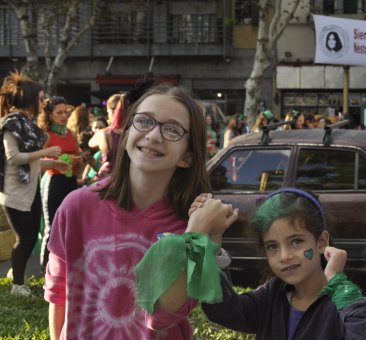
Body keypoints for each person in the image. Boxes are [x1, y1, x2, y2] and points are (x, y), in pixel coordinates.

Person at [43, 84, 211, 339]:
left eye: (172, 129)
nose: (154, 135)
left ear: (187, 156)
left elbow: (164, 316)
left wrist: (201, 236)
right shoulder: (76, 207)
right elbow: (58, 293)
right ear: (127, 130)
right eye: (144, 121)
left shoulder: (190, 225)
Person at [142, 188, 366, 339]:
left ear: (321, 242)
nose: (284, 256)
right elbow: (224, 310)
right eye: (273, 246)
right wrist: (209, 247)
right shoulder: (274, 295)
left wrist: (338, 284)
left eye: (296, 242)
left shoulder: (343, 306)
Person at [0, 71, 68, 296]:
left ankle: (15, 273)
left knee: (29, 237)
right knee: (27, 237)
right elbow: (14, 158)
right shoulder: (11, 124)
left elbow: (31, 162)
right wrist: (45, 151)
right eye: (40, 98)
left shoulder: (27, 124)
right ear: (28, 100)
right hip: (14, 193)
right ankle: (17, 285)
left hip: (30, 190)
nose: (43, 102)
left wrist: (52, 163)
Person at [37, 96, 82, 271]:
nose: (64, 115)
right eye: (59, 112)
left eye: (66, 112)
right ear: (49, 114)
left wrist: (77, 159)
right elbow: (38, 160)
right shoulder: (46, 135)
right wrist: (56, 159)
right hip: (53, 181)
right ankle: (44, 269)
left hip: (70, 181)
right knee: (52, 224)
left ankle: (63, 268)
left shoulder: (71, 133)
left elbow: (78, 155)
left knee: (70, 224)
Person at [88, 93, 128, 179]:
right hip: (127, 178)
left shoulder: (104, 133)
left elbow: (90, 143)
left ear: (112, 112)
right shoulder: (133, 133)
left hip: (107, 178)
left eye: (108, 112)